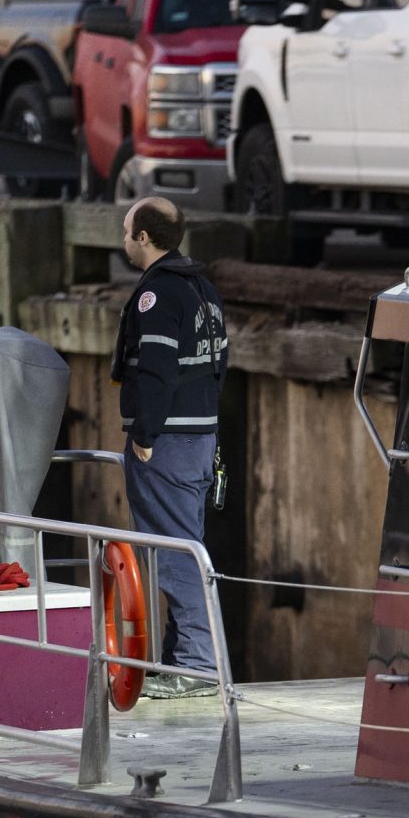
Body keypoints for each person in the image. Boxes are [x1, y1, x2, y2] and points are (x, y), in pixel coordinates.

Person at [112, 196, 230, 700]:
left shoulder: (157, 295)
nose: (123, 239)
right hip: (199, 438)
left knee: (177, 555)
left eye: (126, 231)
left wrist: (144, 434)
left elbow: (158, 370)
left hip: (169, 442)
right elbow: (219, 364)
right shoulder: (203, 289)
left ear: (144, 238)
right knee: (188, 548)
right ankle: (185, 659)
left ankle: (198, 665)